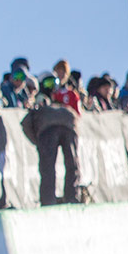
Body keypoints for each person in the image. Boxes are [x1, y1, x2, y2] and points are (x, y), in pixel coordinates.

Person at [22, 77, 85, 206]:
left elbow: (25, 123)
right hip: (69, 123)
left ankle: (48, 200)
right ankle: (72, 197)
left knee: (47, 166)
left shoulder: (40, 105)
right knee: (72, 163)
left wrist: (37, 141)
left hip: (48, 128)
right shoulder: (59, 104)